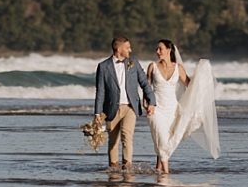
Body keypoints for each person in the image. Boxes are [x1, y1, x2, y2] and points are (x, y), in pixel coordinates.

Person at [146, 39, 220, 173]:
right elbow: (146, 89)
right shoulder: (152, 66)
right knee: (162, 138)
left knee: (164, 140)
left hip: (172, 110)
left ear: (169, 50)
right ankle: (166, 173)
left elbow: (190, 85)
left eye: (160, 49)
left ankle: (158, 169)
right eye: (156, 49)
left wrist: (201, 75)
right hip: (156, 109)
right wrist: (147, 105)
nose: (157, 52)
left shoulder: (178, 68)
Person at [93, 36, 156, 171]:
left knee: (126, 137)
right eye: (127, 47)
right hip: (111, 108)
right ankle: (113, 169)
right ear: (118, 48)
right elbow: (100, 91)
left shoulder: (134, 63)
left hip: (130, 107)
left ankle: (127, 169)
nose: (130, 50)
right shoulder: (103, 66)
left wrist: (152, 102)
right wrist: (97, 113)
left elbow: (144, 83)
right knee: (113, 140)